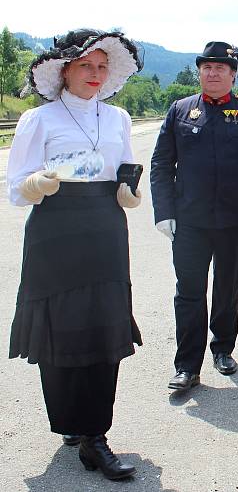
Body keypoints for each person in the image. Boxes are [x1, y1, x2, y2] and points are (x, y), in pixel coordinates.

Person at [7, 29, 144, 479]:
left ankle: (94, 436)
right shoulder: (39, 119)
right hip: (56, 229)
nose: (95, 74)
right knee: (62, 330)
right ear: (64, 70)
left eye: (102, 67)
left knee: (102, 329)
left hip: (105, 228)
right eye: (86, 65)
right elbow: (16, 189)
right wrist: (33, 185)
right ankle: (71, 420)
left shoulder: (119, 117)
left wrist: (128, 191)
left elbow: (124, 170)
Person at [150, 41, 238, 391]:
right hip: (189, 221)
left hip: (234, 221)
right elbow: (162, 165)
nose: (211, 73)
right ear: (200, 71)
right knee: (189, 292)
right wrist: (163, 211)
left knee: (227, 288)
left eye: (219, 68)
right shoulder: (180, 109)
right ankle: (187, 366)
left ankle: (223, 348)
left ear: (233, 74)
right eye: (206, 67)